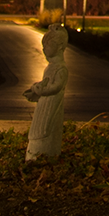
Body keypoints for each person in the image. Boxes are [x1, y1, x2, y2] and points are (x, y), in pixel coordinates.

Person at [24, 23, 69, 161]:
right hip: (44, 104)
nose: (44, 49)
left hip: (52, 105)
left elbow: (56, 87)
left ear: (60, 46)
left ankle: (45, 154)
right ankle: (34, 154)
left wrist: (43, 90)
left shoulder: (61, 69)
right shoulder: (50, 67)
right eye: (44, 45)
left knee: (47, 129)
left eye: (48, 45)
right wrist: (36, 89)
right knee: (38, 129)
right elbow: (46, 82)